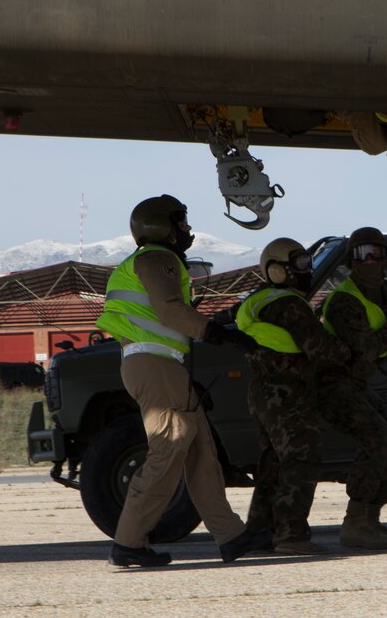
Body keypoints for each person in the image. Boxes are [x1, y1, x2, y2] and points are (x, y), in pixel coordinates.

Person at [95, 194, 271, 568]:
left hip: (162, 365)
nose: (187, 229)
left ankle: (231, 537)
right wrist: (219, 333)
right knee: (169, 449)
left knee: (201, 453)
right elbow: (170, 311)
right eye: (181, 222)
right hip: (154, 364)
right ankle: (127, 542)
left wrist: (215, 328)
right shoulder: (157, 259)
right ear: (162, 226)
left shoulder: (148, 261)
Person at [236, 237, 352, 555]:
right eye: (299, 265)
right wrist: (351, 347)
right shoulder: (287, 303)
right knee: (301, 458)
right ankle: (291, 535)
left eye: (308, 263)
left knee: (273, 464)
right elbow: (322, 350)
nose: (306, 271)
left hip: (263, 390)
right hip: (286, 393)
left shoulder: (257, 302)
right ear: (276, 271)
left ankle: (261, 532)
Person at [319, 227, 387, 549]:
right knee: (379, 436)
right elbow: (363, 349)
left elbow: (385, 348)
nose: (370, 260)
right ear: (352, 261)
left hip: (355, 383)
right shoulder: (345, 299)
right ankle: (355, 522)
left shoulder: (384, 296)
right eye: (363, 254)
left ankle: (370, 519)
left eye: (376, 254)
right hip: (330, 383)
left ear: (386, 259)